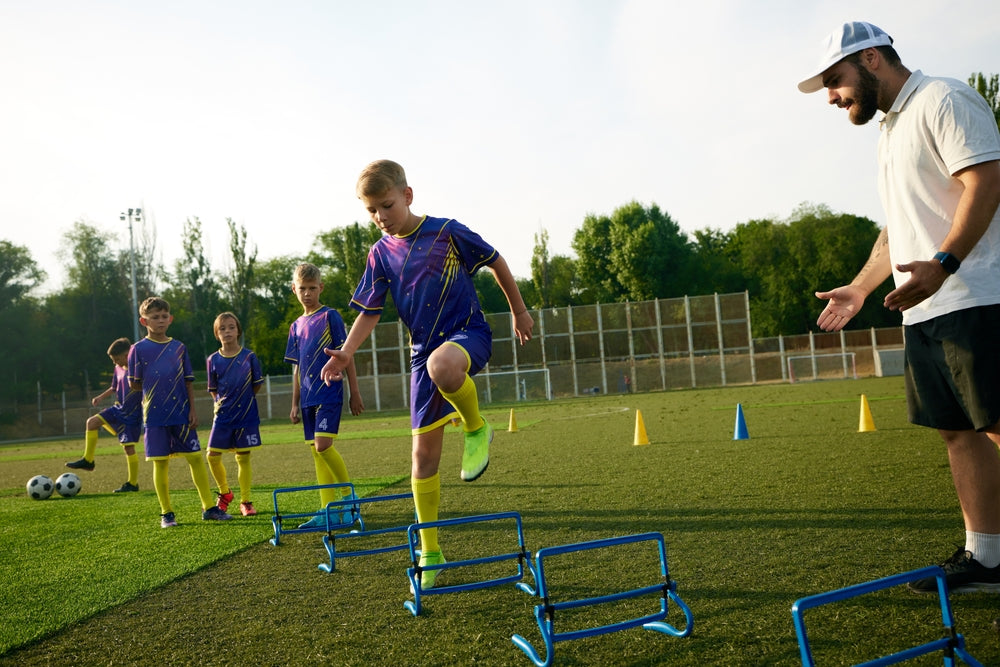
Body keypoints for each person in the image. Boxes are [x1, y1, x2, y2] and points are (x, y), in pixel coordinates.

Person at [801, 22, 1000, 593]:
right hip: (927, 310)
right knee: (957, 431)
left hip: (976, 295)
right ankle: (987, 557)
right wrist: (862, 288)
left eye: (835, 82)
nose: (833, 97)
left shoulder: (944, 98)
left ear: (870, 60)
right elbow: (897, 230)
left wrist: (946, 262)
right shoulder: (890, 131)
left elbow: (986, 180)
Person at [320, 159, 534, 591]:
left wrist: (519, 309)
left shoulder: (446, 231)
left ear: (408, 195)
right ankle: (430, 551)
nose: (380, 217)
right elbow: (369, 313)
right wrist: (345, 352)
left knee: (443, 365)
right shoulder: (380, 253)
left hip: (466, 335)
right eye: (371, 211)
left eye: (386, 205)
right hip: (422, 357)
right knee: (422, 460)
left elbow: (496, 261)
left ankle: (476, 428)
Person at [128, 296, 232, 527]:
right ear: (144, 321)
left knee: (195, 457)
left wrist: (193, 410)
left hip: (181, 414)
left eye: (164, 316)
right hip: (154, 417)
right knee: (160, 462)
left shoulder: (179, 347)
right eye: (155, 317)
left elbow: (187, 382)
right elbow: (134, 384)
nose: (160, 320)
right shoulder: (138, 349)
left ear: (171, 318)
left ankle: (209, 508)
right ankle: (167, 513)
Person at [285, 263, 365, 530]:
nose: (307, 293)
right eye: (302, 288)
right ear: (294, 289)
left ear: (321, 287)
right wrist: (294, 403)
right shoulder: (295, 326)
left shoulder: (330, 316)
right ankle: (327, 509)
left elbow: (346, 356)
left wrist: (355, 392)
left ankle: (349, 498)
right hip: (307, 397)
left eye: (312, 288)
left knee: (323, 446)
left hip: (329, 392)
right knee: (316, 453)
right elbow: (297, 369)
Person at [206, 312, 264, 517]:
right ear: (216, 334)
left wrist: (243, 401)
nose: (227, 331)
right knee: (212, 456)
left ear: (238, 330)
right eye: (222, 328)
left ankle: (246, 502)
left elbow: (256, 385)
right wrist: (222, 403)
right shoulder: (212, 360)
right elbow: (213, 389)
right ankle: (225, 493)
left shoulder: (249, 357)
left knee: (243, 456)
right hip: (222, 416)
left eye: (231, 327)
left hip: (246, 415)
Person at [66, 337, 142, 493]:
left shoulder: (139, 368)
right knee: (92, 422)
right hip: (117, 409)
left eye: (117, 359)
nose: (115, 363)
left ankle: (132, 484)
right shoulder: (118, 369)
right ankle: (88, 460)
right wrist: (100, 397)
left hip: (132, 415)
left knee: (128, 449)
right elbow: (114, 387)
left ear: (127, 353)